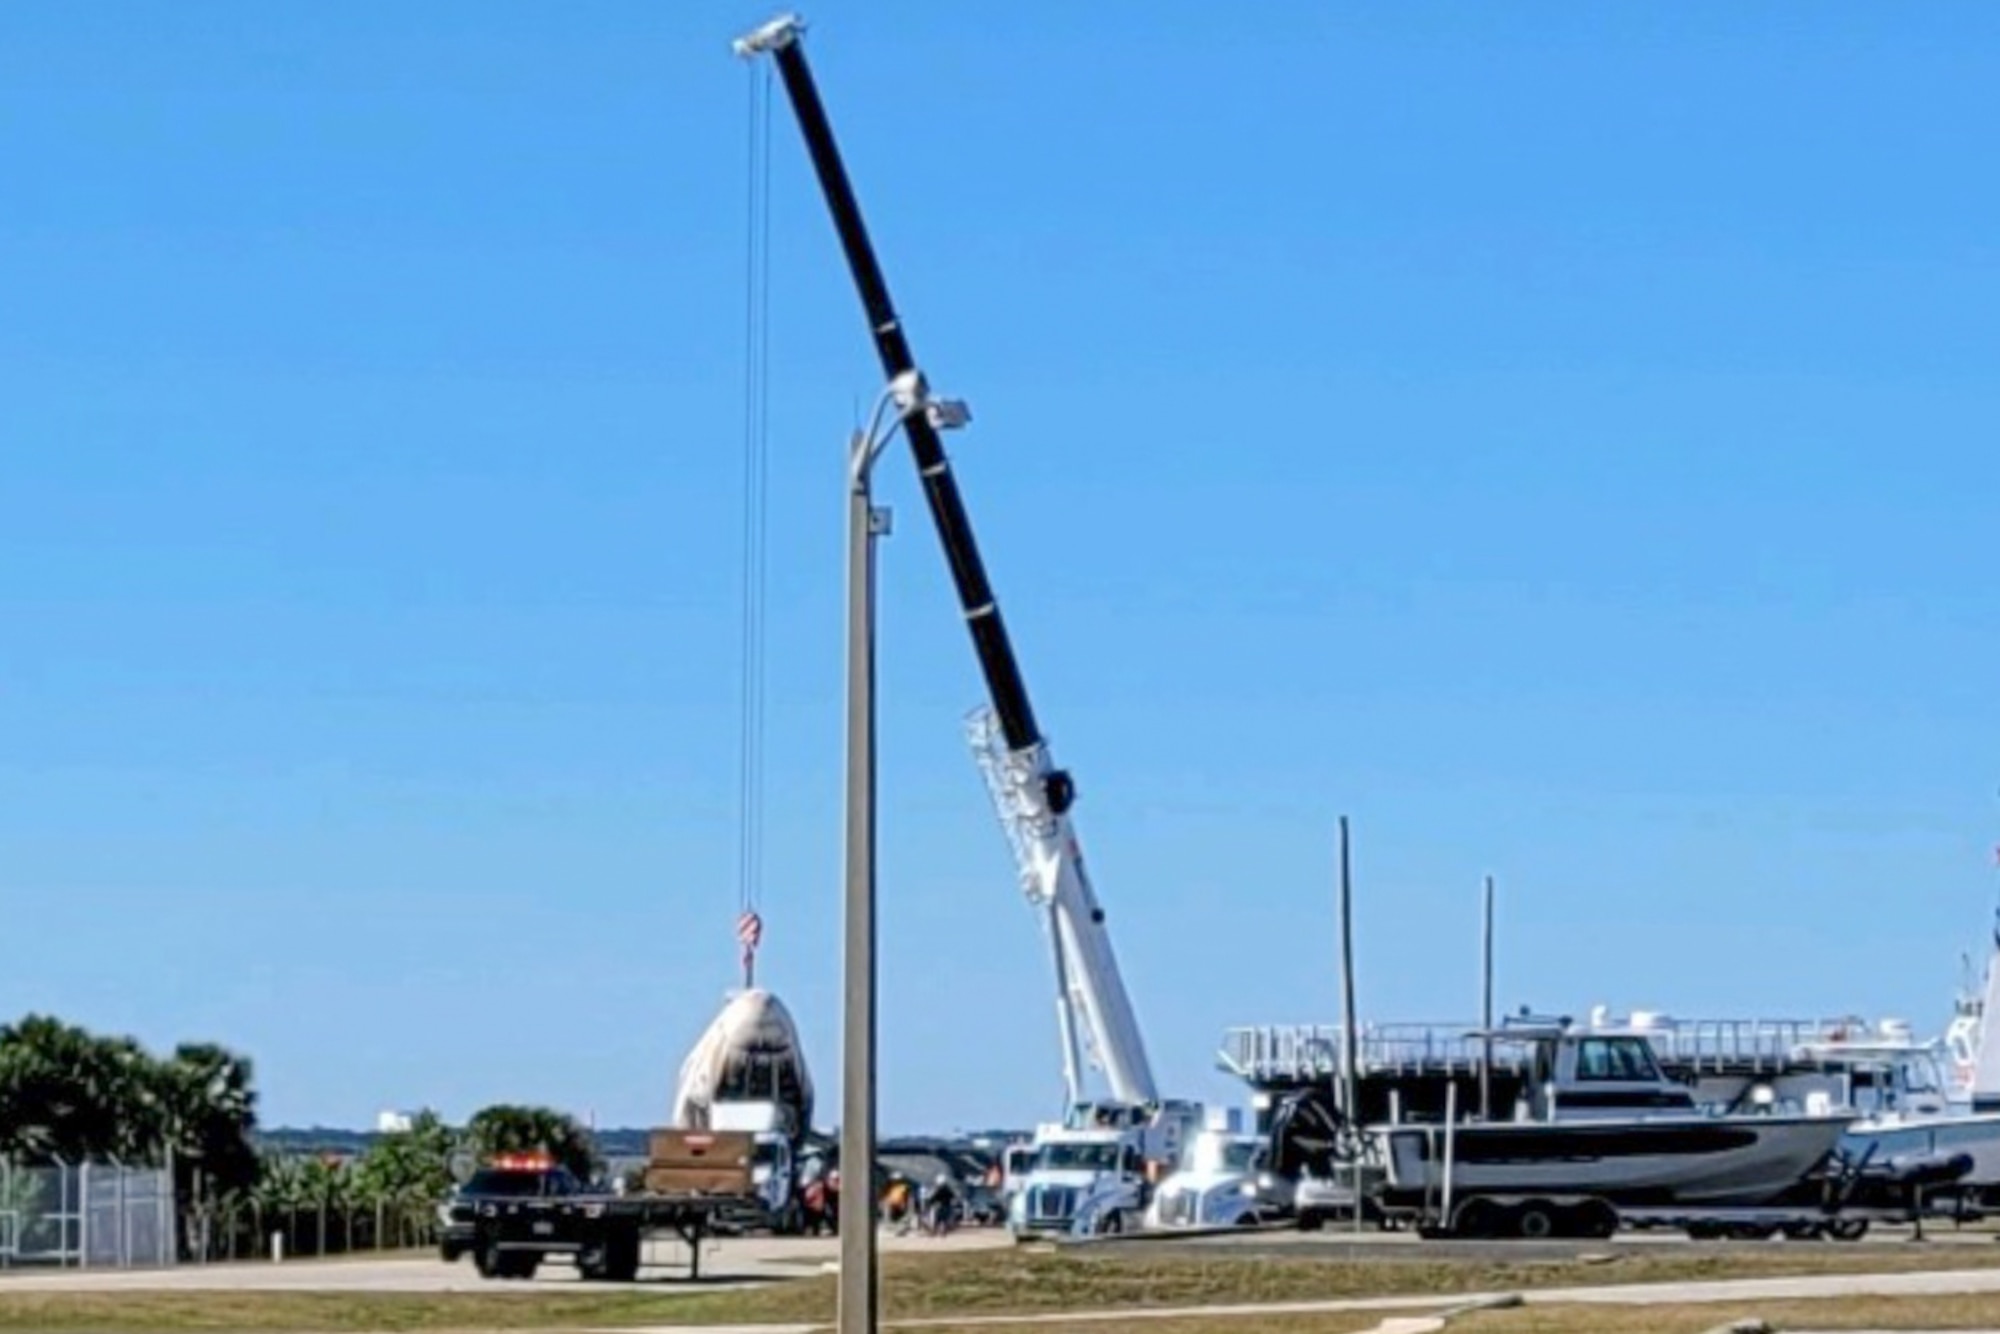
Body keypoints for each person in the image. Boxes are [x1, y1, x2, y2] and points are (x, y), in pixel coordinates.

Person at [923, 1171, 961, 1237]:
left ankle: (934, 1232)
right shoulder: (948, 1188)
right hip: (947, 1205)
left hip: (939, 1206)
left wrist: (929, 1203)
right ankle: (943, 1232)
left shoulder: (939, 1189)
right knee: (945, 1220)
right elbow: (953, 1196)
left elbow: (934, 1197)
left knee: (937, 1220)